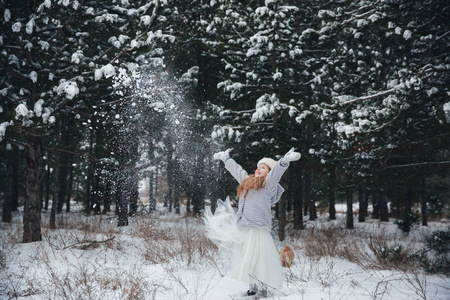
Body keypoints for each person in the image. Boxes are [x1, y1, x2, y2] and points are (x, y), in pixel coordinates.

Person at [204, 147, 301, 297]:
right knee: (248, 259)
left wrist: (284, 161)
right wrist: (226, 159)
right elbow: (237, 170)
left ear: (268, 172)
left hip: (260, 230)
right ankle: (252, 286)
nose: (258, 169)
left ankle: (263, 286)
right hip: (245, 229)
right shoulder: (247, 182)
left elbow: (276, 174)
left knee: (261, 260)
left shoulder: (268, 185)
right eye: (257, 167)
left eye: (263, 168)